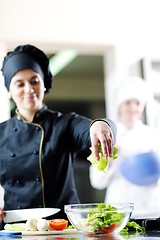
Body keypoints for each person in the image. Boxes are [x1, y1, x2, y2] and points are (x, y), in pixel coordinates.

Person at [0, 44, 117, 227]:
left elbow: (90, 129)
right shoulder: (1, 133)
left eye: (34, 81)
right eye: (19, 84)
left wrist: (101, 125)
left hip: (65, 227)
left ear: (44, 84)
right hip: (17, 228)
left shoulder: (65, 123)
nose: (29, 89)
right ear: (9, 91)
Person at [89, 76, 160, 218]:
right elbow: (96, 182)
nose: (133, 108)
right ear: (119, 106)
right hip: (119, 210)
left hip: (152, 209)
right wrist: (109, 160)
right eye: (128, 102)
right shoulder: (107, 136)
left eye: (138, 103)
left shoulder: (154, 135)